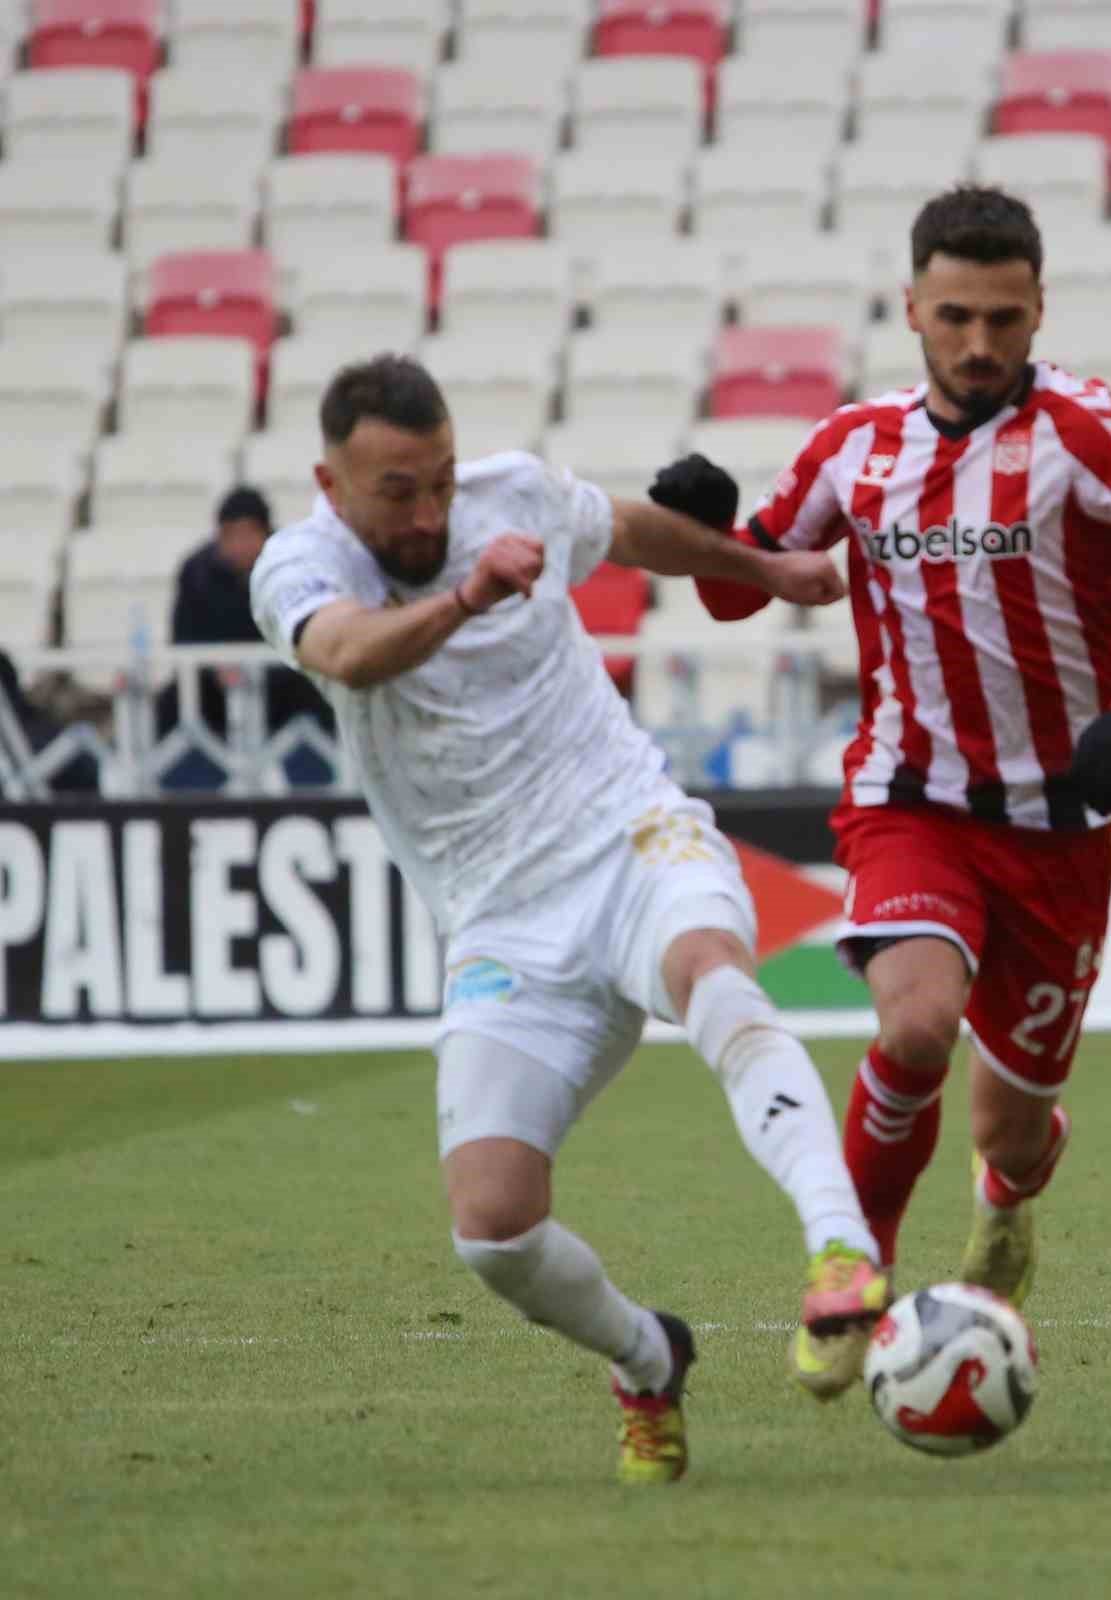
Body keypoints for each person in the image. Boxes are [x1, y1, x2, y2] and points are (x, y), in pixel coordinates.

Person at [248, 354, 890, 1486]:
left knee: (715, 974)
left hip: (631, 836)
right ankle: (648, 1357)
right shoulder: (301, 566)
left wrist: (766, 569)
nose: (430, 512)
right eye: (398, 491)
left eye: (441, 480)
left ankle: (841, 1246)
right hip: (500, 921)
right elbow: (346, 653)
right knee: (492, 1228)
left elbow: (630, 529)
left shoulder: (514, 493)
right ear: (330, 484)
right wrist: (469, 596)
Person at [651, 184, 1111, 1332]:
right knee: (915, 1026)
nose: (980, 343)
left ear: (1039, 312)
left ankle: (1006, 1199)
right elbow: (739, 597)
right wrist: (706, 537)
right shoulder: (854, 446)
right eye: (957, 316)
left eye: (1004, 319)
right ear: (912, 308)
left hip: (1058, 828)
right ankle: (852, 1268)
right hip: (908, 799)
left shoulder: (1084, 431)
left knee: (1010, 1132)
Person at [163, 486, 332, 742]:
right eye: (231, 535)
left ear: (266, 533)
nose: (239, 545)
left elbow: (310, 633)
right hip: (214, 689)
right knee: (172, 703)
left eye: (247, 534)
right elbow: (184, 640)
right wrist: (216, 670)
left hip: (283, 683)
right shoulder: (197, 573)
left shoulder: (293, 568)